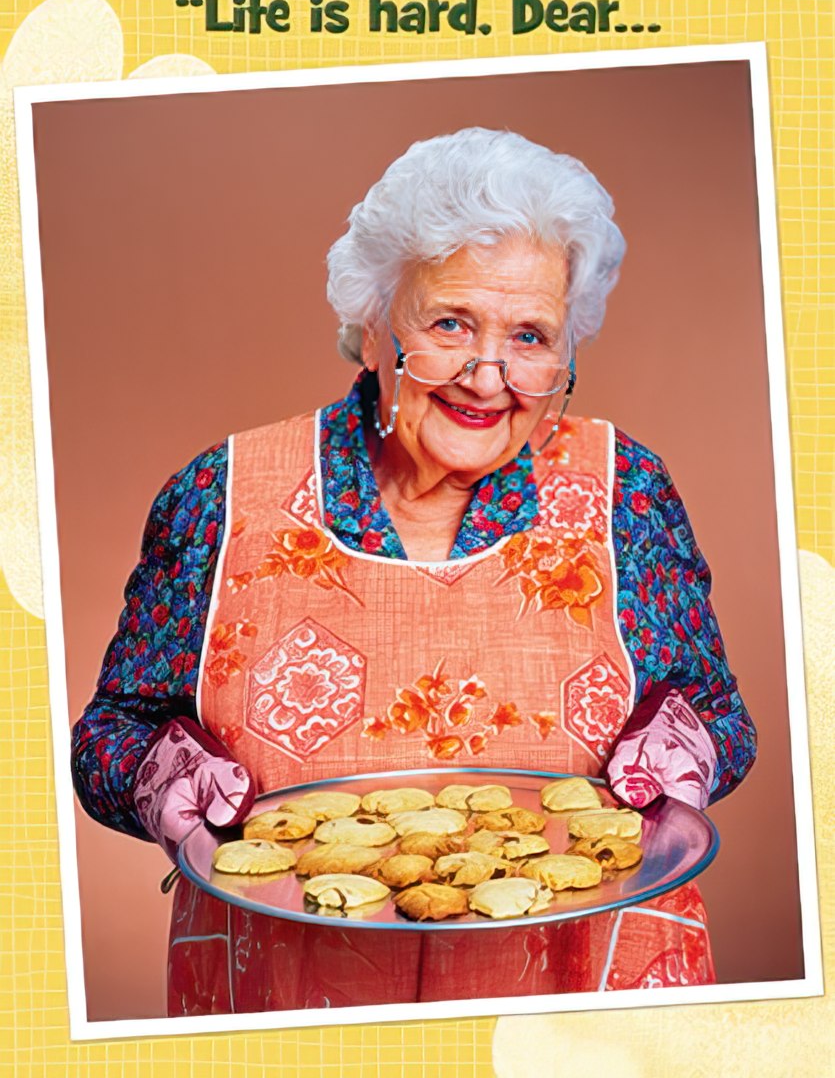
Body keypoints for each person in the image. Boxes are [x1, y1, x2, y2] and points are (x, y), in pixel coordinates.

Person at [72, 127, 756, 1013]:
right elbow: (110, 732)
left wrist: (689, 745)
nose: (487, 375)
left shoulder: (628, 490)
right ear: (371, 326)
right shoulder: (220, 493)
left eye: (530, 336)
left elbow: (716, 712)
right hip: (291, 996)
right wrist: (156, 773)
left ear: (565, 357)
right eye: (448, 324)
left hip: (582, 999)